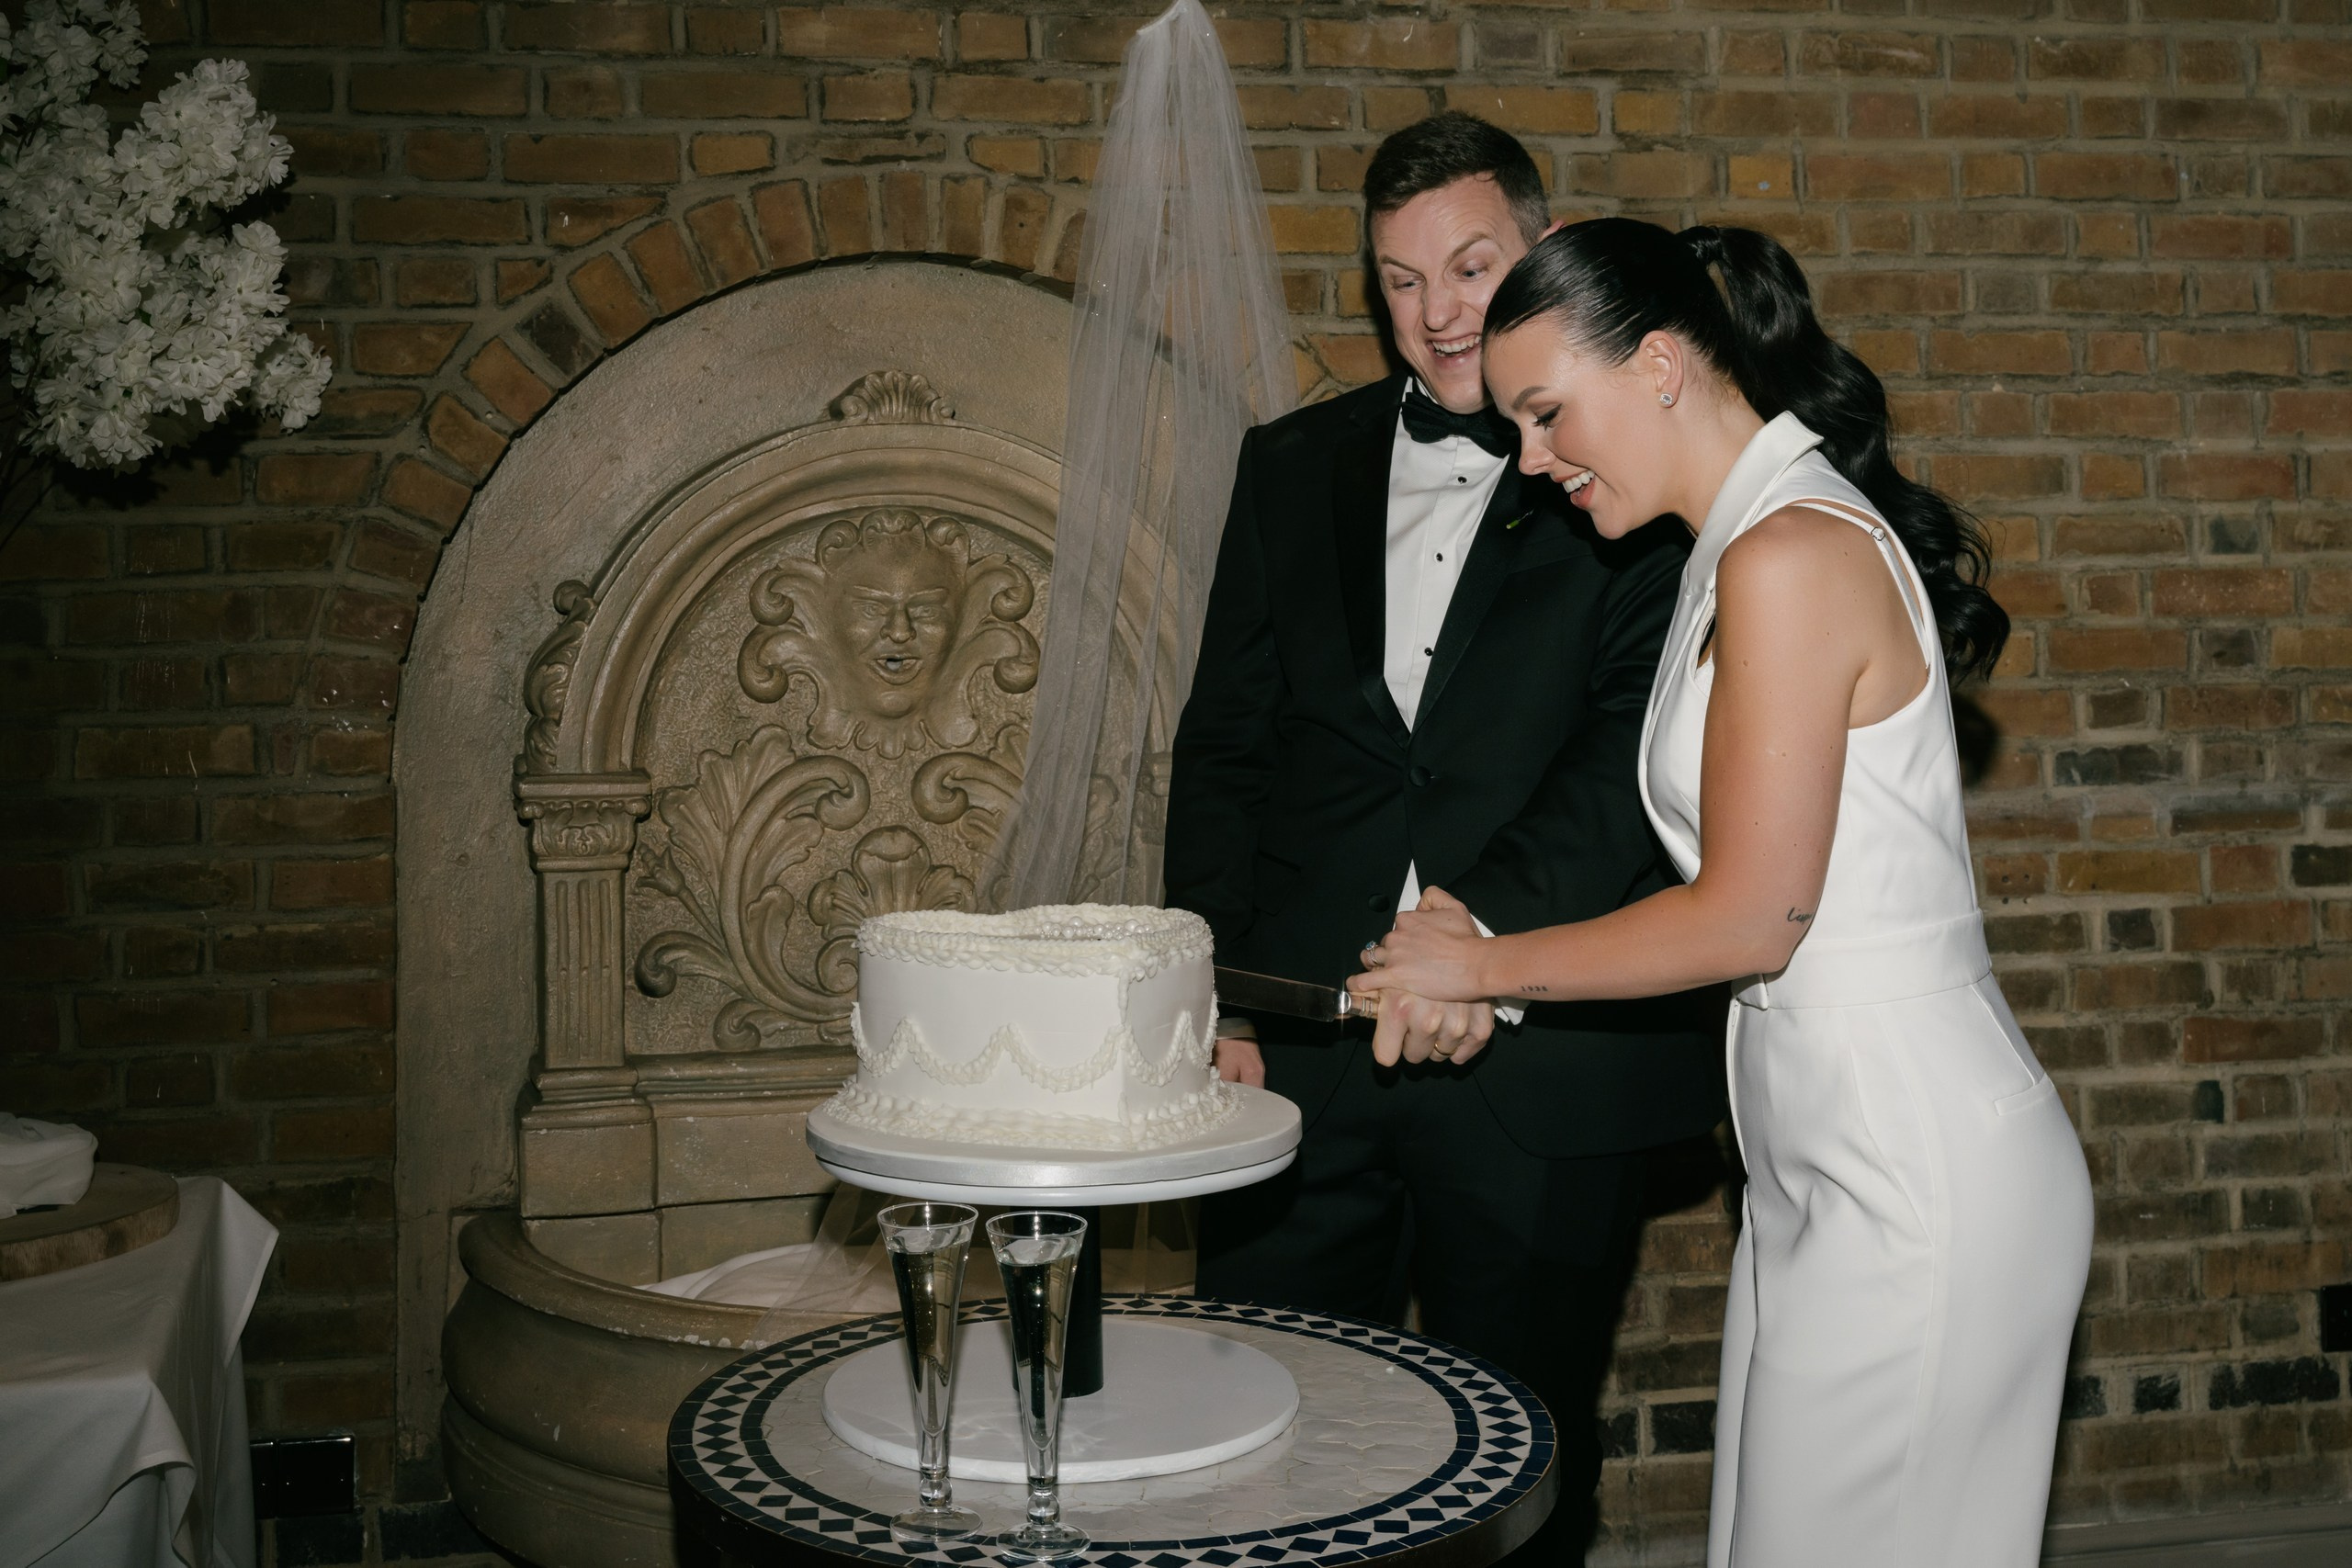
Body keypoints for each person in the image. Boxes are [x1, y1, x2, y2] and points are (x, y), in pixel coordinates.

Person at [1352, 219, 2096, 1568]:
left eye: (1546, 412)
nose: (1532, 457)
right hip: (1813, 1168)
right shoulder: (1723, 544)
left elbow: (1754, 915)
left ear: (1656, 367)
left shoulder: (1789, 551)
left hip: (1912, 1178)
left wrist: (1479, 965)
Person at [1162, 114, 1726, 1558]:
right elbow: (1227, 748)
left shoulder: (1628, 469)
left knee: (1523, 1461)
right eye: (1401, 280)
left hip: (1537, 1057)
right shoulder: (1289, 467)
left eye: (1472, 266)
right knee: (1270, 1445)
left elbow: (1630, 753)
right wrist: (1220, 992)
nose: (1439, 312)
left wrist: (1474, 940)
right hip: (1303, 1046)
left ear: (1542, 246)